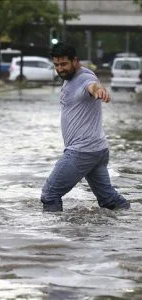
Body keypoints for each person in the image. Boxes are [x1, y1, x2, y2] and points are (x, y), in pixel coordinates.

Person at [40, 42, 130, 212]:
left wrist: (99, 91)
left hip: (82, 151)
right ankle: (133, 222)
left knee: (50, 194)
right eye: (56, 65)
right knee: (109, 199)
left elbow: (93, 86)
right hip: (97, 150)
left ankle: (53, 236)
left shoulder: (84, 78)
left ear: (75, 61)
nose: (60, 69)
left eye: (64, 64)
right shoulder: (71, 78)